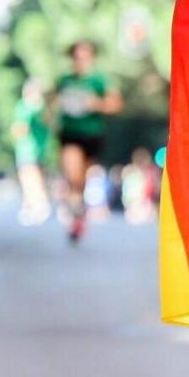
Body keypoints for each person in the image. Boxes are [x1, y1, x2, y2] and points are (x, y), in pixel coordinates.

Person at [54, 40, 123, 243]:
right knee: (73, 176)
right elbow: (54, 102)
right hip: (70, 134)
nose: (80, 61)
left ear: (92, 58)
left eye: (84, 57)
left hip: (92, 135)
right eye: (76, 57)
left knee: (81, 180)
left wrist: (97, 104)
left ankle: (78, 215)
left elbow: (116, 105)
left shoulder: (100, 80)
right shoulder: (64, 80)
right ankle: (75, 212)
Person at [11, 78, 52, 225]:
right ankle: (30, 206)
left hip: (27, 149)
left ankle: (38, 205)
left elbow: (20, 128)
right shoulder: (44, 108)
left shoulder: (25, 106)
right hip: (41, 149)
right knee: (37, 177)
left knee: (29, 178)